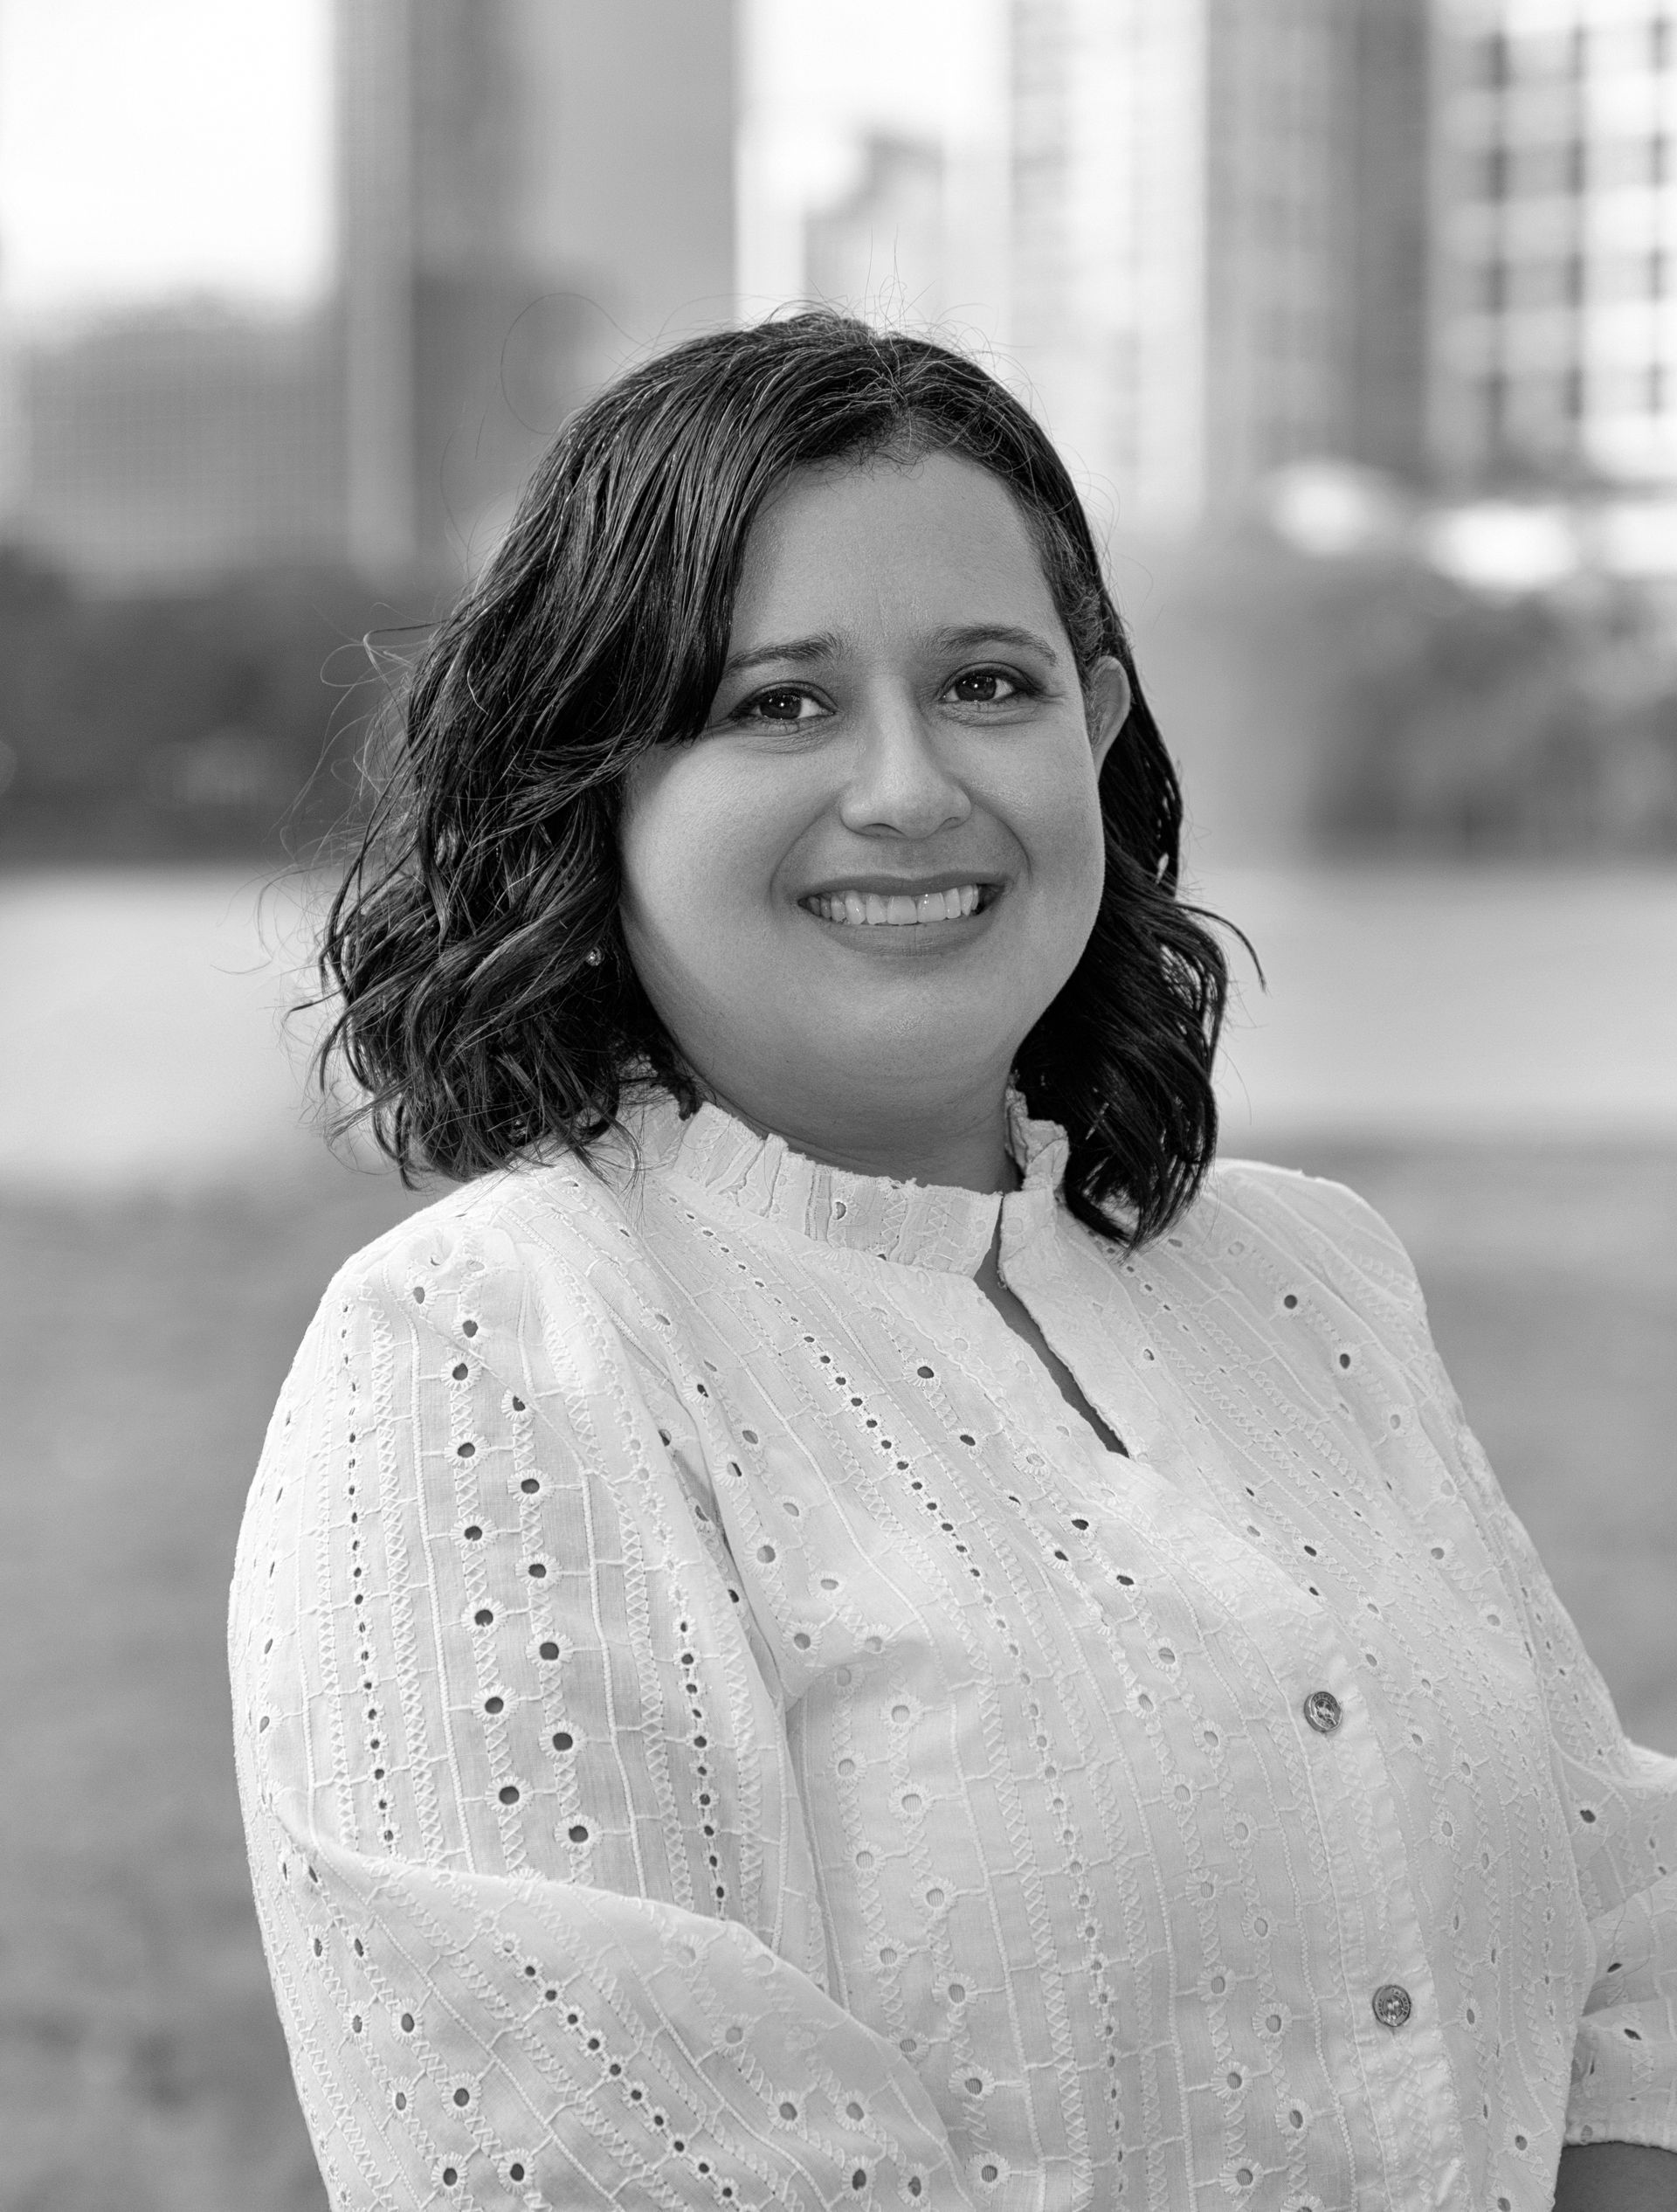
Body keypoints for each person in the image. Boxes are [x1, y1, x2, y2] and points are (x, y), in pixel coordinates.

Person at [231, 313, 1677, 2212]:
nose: (910, 787)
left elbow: (1623, 1944)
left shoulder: (1308, 1279)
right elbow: (600, 2148)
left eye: (988, 684)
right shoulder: (482, 1349)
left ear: (1094, 721)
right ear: (592, 778)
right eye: (780, 704)